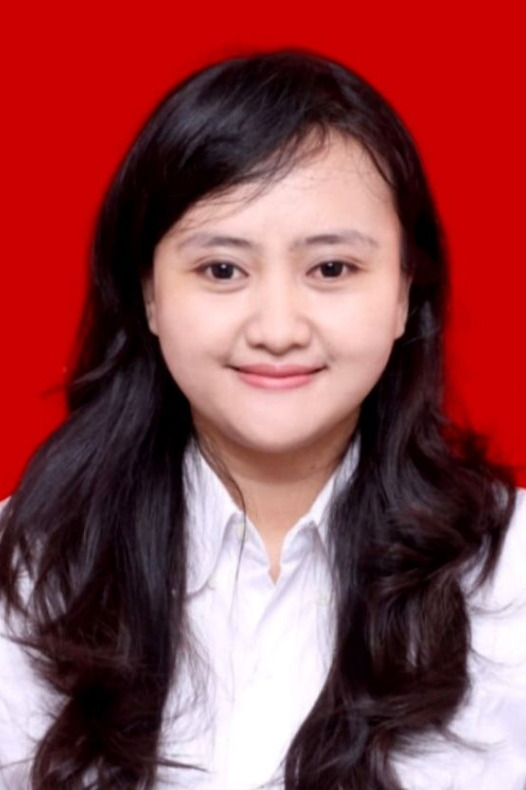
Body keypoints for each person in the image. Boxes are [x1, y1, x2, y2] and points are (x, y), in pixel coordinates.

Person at [0, 48, 525, 790]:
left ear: (405, 293)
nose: (278, 329)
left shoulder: (510, 576)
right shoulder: (27, 571)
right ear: (149, 294)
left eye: (332, 269)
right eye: (222, 270)